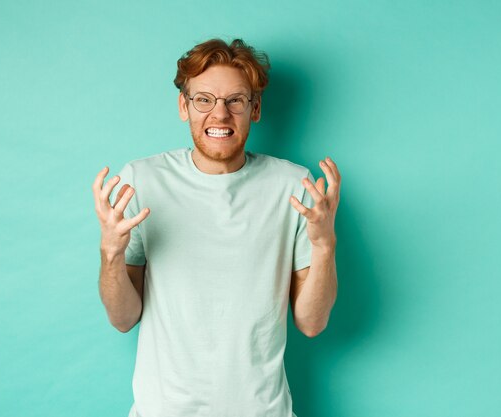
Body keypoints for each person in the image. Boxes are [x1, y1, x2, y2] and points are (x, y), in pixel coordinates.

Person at [92, 38, 340, 417]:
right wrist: (110, 252)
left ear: (255, 109)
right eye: (204, 99)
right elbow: (122, 318)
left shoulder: (293, 187)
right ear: (183, 106)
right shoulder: (142, 181)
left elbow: (311, 322)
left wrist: (324, 246)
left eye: (235, 101)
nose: (219, 115)